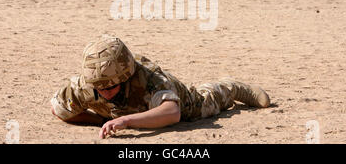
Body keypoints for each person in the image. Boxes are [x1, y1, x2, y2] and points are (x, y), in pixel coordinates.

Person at [50, 37, 271, 139]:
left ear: (126, 78)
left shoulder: (149, 78)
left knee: (205, 104)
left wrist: (126, 121)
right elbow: (60, 110)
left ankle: (232, 87)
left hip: (181, 101)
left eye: (111, 87)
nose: (104, 93)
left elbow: (172, 113)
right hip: (130, 111)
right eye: (99, 89)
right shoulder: (84, 85)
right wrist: (102, 121)